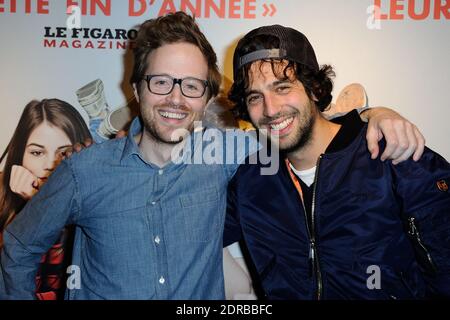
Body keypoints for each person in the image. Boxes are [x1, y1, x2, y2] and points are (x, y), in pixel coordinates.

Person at [0, 12, 427, 300]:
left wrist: (376, 113)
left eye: (191, 85)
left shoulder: (231, 154)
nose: (176, 99)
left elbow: (299, 124)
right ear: (136, 89)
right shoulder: (83, 170)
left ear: (205, 96)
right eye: (161, 82)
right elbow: (17, 248)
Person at [224, 24, 450, 299]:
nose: (270, 109)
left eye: (282, 88)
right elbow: (188, 234)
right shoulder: (250, 181)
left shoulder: (393, 155)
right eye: (255, 97)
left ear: (315, 89)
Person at [0, 99, 92, 300]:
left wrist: (39, 206)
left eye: (63, 153)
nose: (50, 164)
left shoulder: (93, 206)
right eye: (37, 152)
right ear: (20, 156)